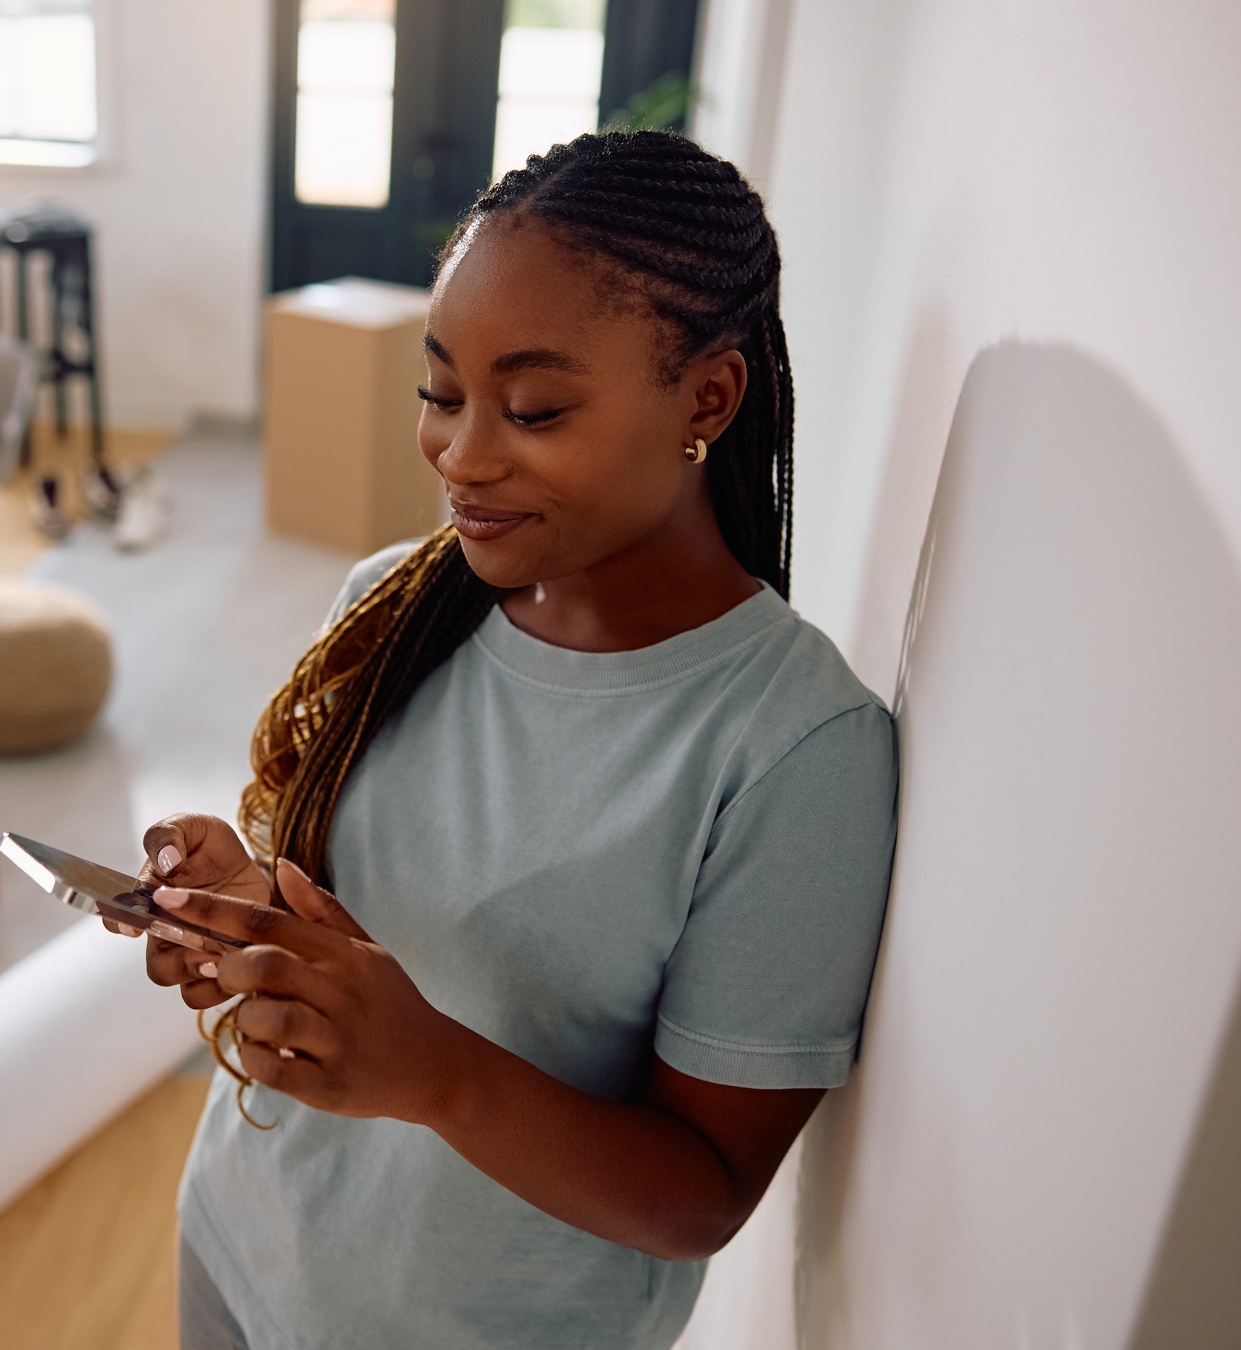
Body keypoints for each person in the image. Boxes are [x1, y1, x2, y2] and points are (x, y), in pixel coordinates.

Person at [121, 130, 898, 1349]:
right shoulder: (392, 602)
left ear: (708, 398)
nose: (460, 454)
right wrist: (241, 908)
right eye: (440, 392)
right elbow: (346, 916)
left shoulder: (796, 750)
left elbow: (701, 1194)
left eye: (533, 408)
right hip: (238, 1247)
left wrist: (437, 1070)